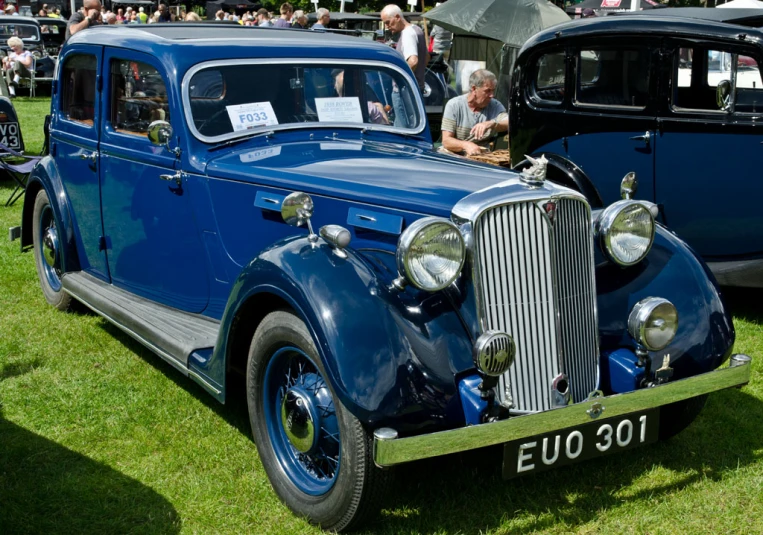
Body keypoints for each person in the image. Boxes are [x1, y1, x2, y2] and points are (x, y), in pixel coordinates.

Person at [441, 69, 508, 156]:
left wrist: (491, 123)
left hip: (483, 156)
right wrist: (465, 145)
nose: (492, 95)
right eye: (487, 91)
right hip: (455, 156)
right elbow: (446, 141)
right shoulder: (454, 105)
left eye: (493, 90)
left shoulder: (495, 105)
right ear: (474, 89)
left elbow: (509, 122)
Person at [381, 4, 427, 92]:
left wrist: (399, 78)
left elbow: (413, 62)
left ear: (397, 17)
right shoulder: (417, 29)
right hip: (416, 87)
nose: (387, 26)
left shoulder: (407, 33)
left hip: (404, 90)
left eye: (388, 22)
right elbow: (426, 57)